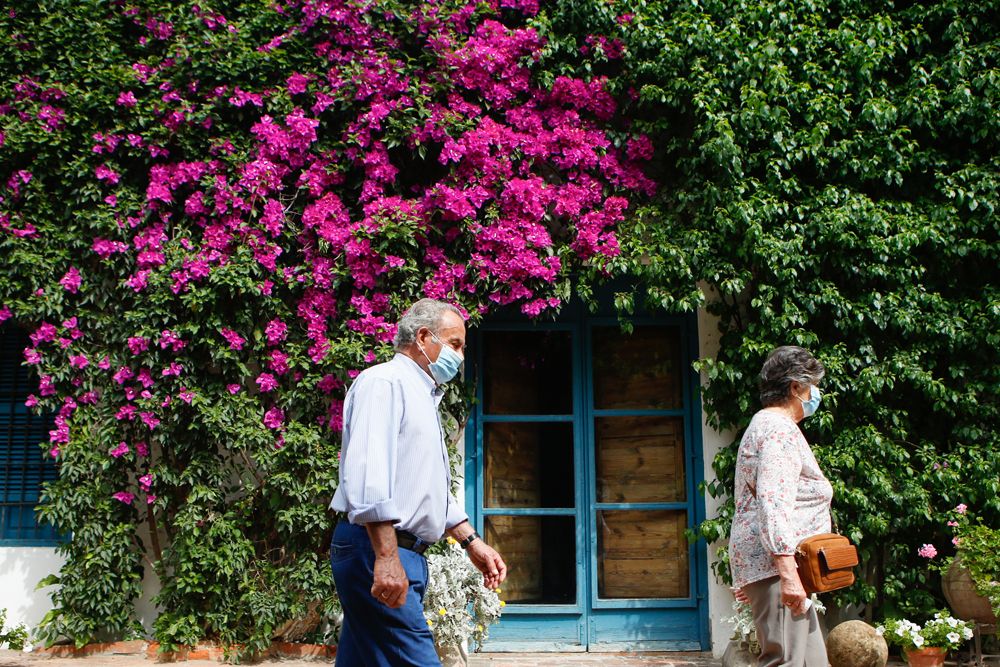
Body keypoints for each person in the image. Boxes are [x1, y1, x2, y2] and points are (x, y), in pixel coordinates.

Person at [329, 298, 507, 667]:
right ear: (424, 337)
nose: (458, 356)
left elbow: (425, 488)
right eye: (455, 344)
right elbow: (368, 477)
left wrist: (471, 542)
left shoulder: (421, 395)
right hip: (378, 550)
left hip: (396, 553)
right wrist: (387, 557)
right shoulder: (384, 383)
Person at [729, 346, 832, 667]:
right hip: (778, 567)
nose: (816, 393)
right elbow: (772, 504)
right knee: (787, 659)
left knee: (811, 662)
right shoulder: (778, 431)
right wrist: (786, 574)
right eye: (812, 385)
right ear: (795, 388)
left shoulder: (765, 426)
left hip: (775, 567)